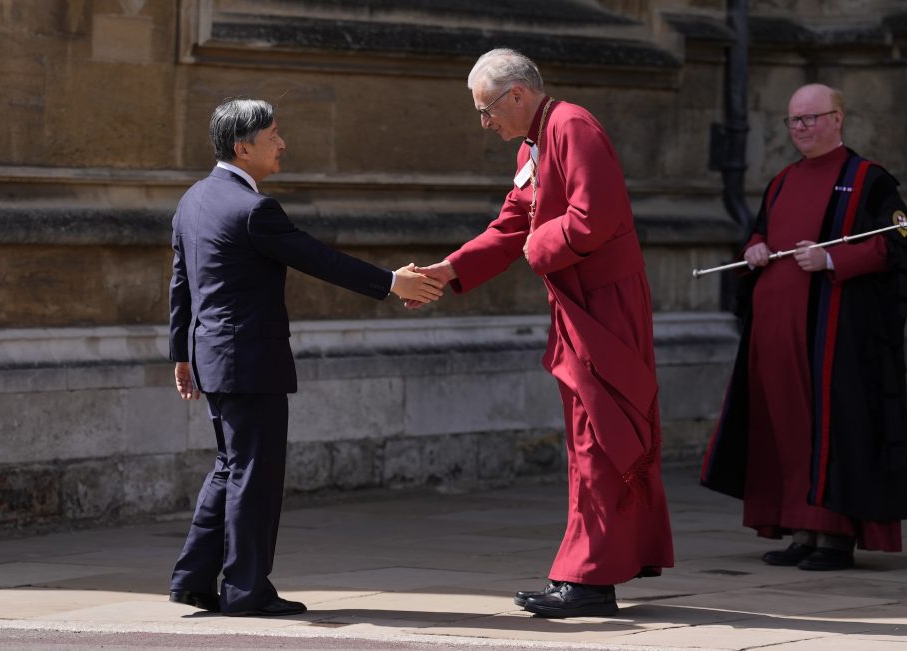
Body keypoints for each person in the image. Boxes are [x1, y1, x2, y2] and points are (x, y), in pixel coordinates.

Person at [410, 49, 674, 618]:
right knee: (587, 436)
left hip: (605, 304)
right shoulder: (536, 142)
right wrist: (448, 270)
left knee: (600, 436)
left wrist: (538, 248)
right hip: (578, 301)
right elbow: (511, 222)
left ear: (517, 96)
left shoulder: (572, 125)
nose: (485, 123)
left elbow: (592, 217)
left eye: (486, 111)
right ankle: (586, 574)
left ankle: (590, 580)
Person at [168, 97, 444, 616]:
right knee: (254, 473)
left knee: (230, 466)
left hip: (212, 357)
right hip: (250, 361)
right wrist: (391, 282)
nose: (282, 143)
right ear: (241, 146)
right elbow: (318, 258)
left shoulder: (192, 200)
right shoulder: (254, 209)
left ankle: (193, 579)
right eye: (272, 135)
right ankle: (246, 590)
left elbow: (181, 284)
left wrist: (181, 354)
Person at [700, 84, 907, 571]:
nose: (801, 128)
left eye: (811, 118)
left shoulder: (870, 179)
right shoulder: (782, 180)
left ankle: (835, 537)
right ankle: (801, 529)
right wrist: (754, 249)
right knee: (785, 428)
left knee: (835, 427)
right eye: (793, 121)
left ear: (838, 119)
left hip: (835, 337)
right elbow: (761, 231)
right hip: (776, 332)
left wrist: (831, 257)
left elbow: (900, 242)